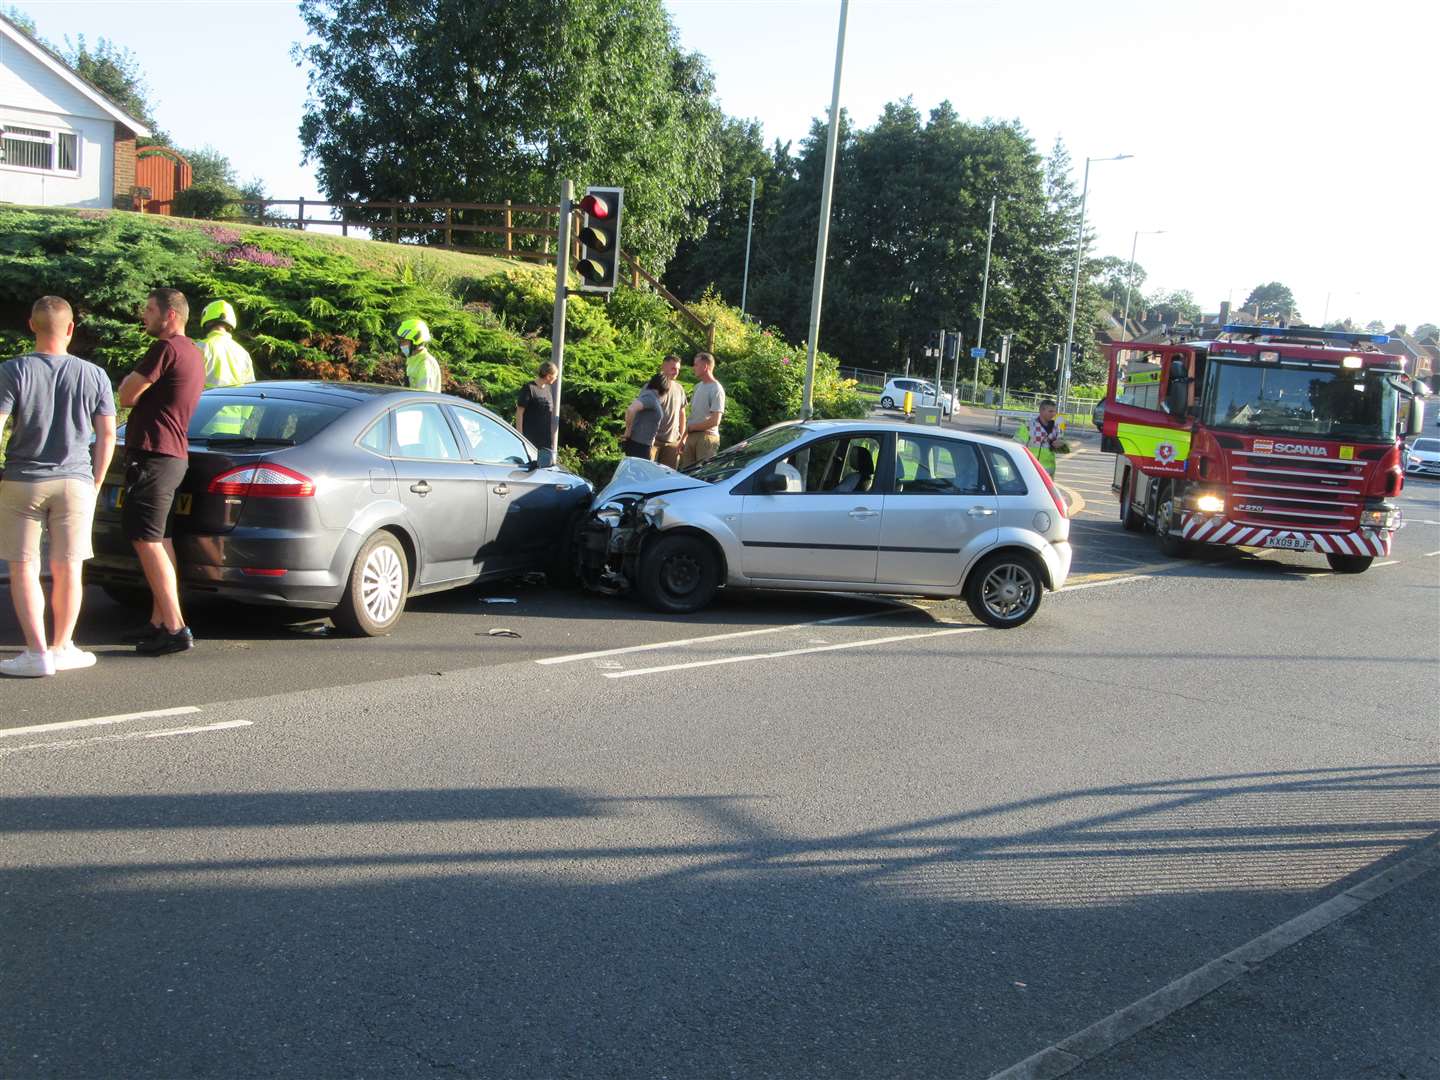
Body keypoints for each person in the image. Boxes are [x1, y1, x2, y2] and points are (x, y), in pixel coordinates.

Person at [0, 296, 117, 677]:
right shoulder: (95, 374)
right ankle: (63, 646)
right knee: (69, 568)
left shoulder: (13, 370)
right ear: (70, 329)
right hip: (76, 480)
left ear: (32, 325)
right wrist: (96, 480)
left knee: (24, 567)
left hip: (23, 480)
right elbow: (108, 434)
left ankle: (35, 653)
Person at [116, 287, 206, 656]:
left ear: (171, 315)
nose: (144, 315)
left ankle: (174, 626)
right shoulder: (193, 353)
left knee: (146, 540)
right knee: (161, 540)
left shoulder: (166, 349)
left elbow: (126, 393)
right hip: (173, 456)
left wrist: (128, 386)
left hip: (154, 455)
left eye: (150, 309)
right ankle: (158, 622)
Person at [198, 299, 255, 436]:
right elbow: (251, 392)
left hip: (201, 427)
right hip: (232, 430)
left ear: (207, 319)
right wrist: (241, 422)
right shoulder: (243, 353)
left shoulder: (201, 347)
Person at [681, 351, 726, 468]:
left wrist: (692, 428)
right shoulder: (697, 387)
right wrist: (683, 439)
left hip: (707, 439)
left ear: (705, 366)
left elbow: (715, 421)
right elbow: (693, 417)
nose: (693, 367)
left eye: (696, 364)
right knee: (687, 475)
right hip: (691, 437)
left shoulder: (716, 389)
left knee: (702, 476)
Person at [514, 361, 557, 465]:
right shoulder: (529, 388)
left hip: (545, 440)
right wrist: (520, 436)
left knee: (545, 469)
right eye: (555, 376)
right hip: (530, 439)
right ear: (548, 376)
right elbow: (519, 412)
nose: (556, 379)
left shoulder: (548, 389)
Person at [651, 354, 688, 468]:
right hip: (653, 441)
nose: (676, 372)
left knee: (668, 479)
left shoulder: (679, 388)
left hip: (672, 443)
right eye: (673, 368)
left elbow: (682, 414)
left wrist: (682, 438)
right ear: (663, 367)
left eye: (678, 369)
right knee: (646, 476)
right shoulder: (653, 386)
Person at [621, 374, 669, 459]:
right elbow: (631, 409)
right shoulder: (650, 397)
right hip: (638, 446)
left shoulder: (653, 397)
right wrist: (628, 430)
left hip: (642, 445)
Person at [1016, 398, 1063, 477]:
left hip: (1049, 470)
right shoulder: (1028, 426)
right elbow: (1017, 446)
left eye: (1055, 411)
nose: (1054, 414)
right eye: (1050, 411)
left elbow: (1062, 448)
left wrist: (1061, 445)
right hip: (1030, 467)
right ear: (1041, 411)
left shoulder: (1057, 427)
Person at [397, 317, 442, 392]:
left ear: (416, 341)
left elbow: (425, 396)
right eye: (400, 341)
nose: (401, 345)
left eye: (404, 341)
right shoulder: (413, 359)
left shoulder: (425, 364)